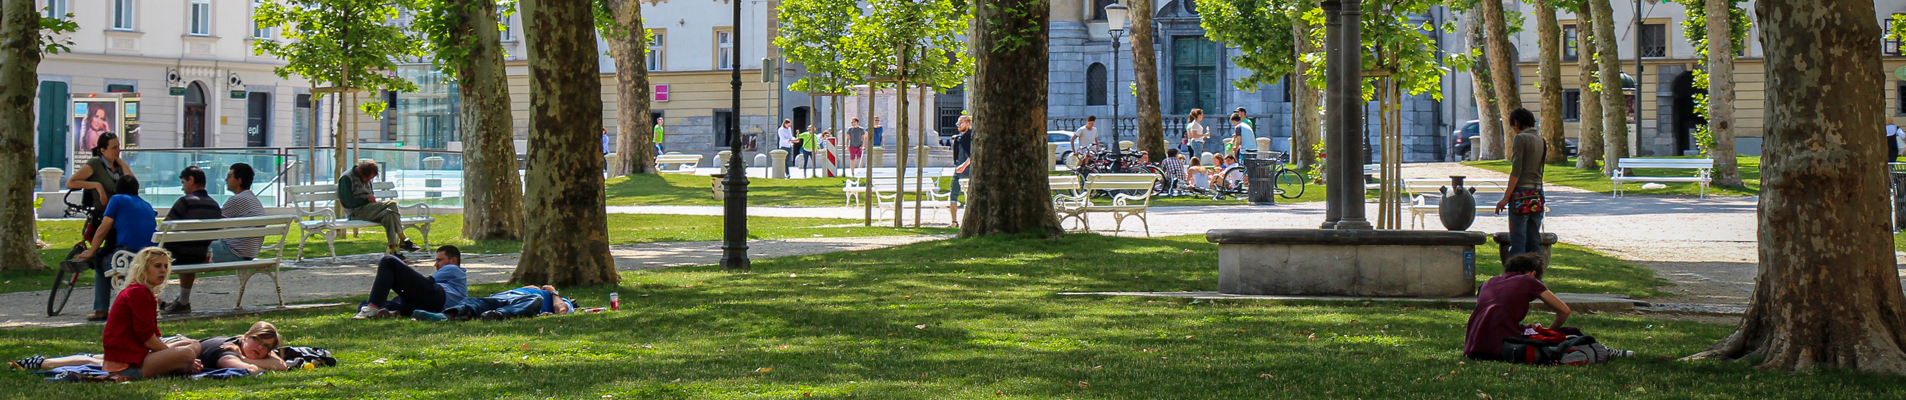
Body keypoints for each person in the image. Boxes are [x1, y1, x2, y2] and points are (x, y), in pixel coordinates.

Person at [12, 321, 285, 374]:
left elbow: (279, 363)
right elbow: (245, 369)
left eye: (266, 347)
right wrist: (261, 363)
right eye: (257, 341)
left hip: (174, 346)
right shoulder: (228, 352)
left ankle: (43, 361)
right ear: (245, 336)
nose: (259, 349)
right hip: (172, 348)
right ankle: (43, 362)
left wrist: (265, 359)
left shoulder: (238, 343)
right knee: (103, 362)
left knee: (102, 359)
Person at [102, 248, 205, 381]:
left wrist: (170, 355)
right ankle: (180, 365)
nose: (163, 270)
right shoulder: (138, 293)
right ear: (143, 268)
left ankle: (179, 365)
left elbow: (152, 335)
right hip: (128, 366)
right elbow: (147, 338)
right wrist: (173, 356)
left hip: (140, 355)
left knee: (193, 344)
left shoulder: (143, 291)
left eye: (165, 266)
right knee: (187, 353)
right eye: (157, 266)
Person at [1464, 253, 1580, 362]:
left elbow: (1493, 315)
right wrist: (1548, 332)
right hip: (1502, 349)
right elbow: (1564, 311)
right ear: (1533, 274)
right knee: (1571, 332)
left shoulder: (1488, 282)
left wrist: (1520, 327)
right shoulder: (1528, 280)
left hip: (1474, 347)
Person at [75, 174, 156, 321]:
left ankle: (101, 310)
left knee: (99, 262)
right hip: (148, 258)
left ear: (117, 189)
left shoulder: (117, 199)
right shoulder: (146, 205)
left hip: (127, 256)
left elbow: (103, 228)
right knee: (106, 258)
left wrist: (91, 252)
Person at [159, 166, 224, 314]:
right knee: (187, 250)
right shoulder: (214, 205)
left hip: (175, 256)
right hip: (199, 255)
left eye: (183, 182)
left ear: (191, 180)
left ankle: (155, 301)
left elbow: (163, 228)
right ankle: (183, 301)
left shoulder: (185, 202)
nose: (182, 188)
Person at [353, 246, 468, 319]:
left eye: (440, 260)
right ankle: (392, 312)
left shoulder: (453, 269)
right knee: (364, 303)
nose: (436, 264)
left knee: (389, 261)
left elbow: (428, 283)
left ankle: (373, 309)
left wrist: (403, 280)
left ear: (453, 260)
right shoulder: (457, 278)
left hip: (437, 298)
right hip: (424, 306)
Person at [338, 161, 420, 256]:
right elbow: (348, 202)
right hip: (356, 212)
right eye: (368, 178)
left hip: (369, 209)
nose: (368, 181)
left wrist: (372, 201)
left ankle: (393, 251)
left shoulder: (366, 177)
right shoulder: (346, 178)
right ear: (361, 172)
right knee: (392, 204)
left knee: (390, 214)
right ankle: (403, 239)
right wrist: (367, 200)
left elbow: (370, 194)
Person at [1495, 108, 1545, 256]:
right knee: (1533, 240)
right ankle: (1535, 273)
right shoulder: (1541, 140)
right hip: (1537, 193)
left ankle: (1517, 275)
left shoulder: (1520, 139)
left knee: (1518, 240)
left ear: (1516, 122)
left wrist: (1505, 198)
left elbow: (1516, 171)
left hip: (1521, 194)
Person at [412, 285, 577, 322]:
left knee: (537, 299)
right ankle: (444, 317)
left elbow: (561, 310)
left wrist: (553, 292)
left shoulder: (560, 300)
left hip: (522, 302)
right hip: (503, 297)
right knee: (473, 301)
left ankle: (498, 316)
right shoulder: (533, 288)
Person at [210, 163, 266, 265]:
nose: (226, 180)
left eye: (229, 176)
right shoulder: (251, 198)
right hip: (249, 252)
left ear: (239, 180)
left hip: (232, 251)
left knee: (189, 249)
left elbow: (214, 223)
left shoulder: (237, 200)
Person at [948, 115, 974, 227]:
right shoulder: (958, 139)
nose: (959, 126)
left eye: (961, 123)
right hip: (958, 169)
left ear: (968, 124)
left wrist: (964, 165)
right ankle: (954, 222)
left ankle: (968, 222)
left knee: (968, 195)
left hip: (968, 170)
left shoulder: (972, 137)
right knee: (953, 194)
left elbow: (974, 154)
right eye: (958, 124)